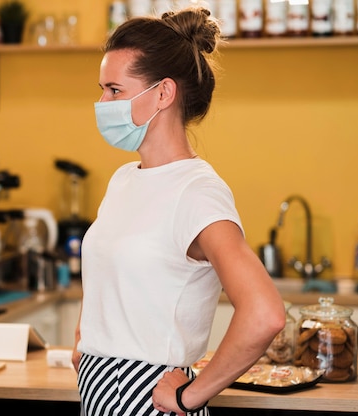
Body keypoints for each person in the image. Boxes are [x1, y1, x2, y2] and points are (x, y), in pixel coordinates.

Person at [72, 7, 286, 416]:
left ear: (163, 93)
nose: (101, 102)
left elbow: (265, 314)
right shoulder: (124, 179)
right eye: (101, 89)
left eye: (114, 90)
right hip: (99, 390)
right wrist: (89, 335)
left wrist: (191, 394)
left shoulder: (197, 193)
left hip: (147, 399)